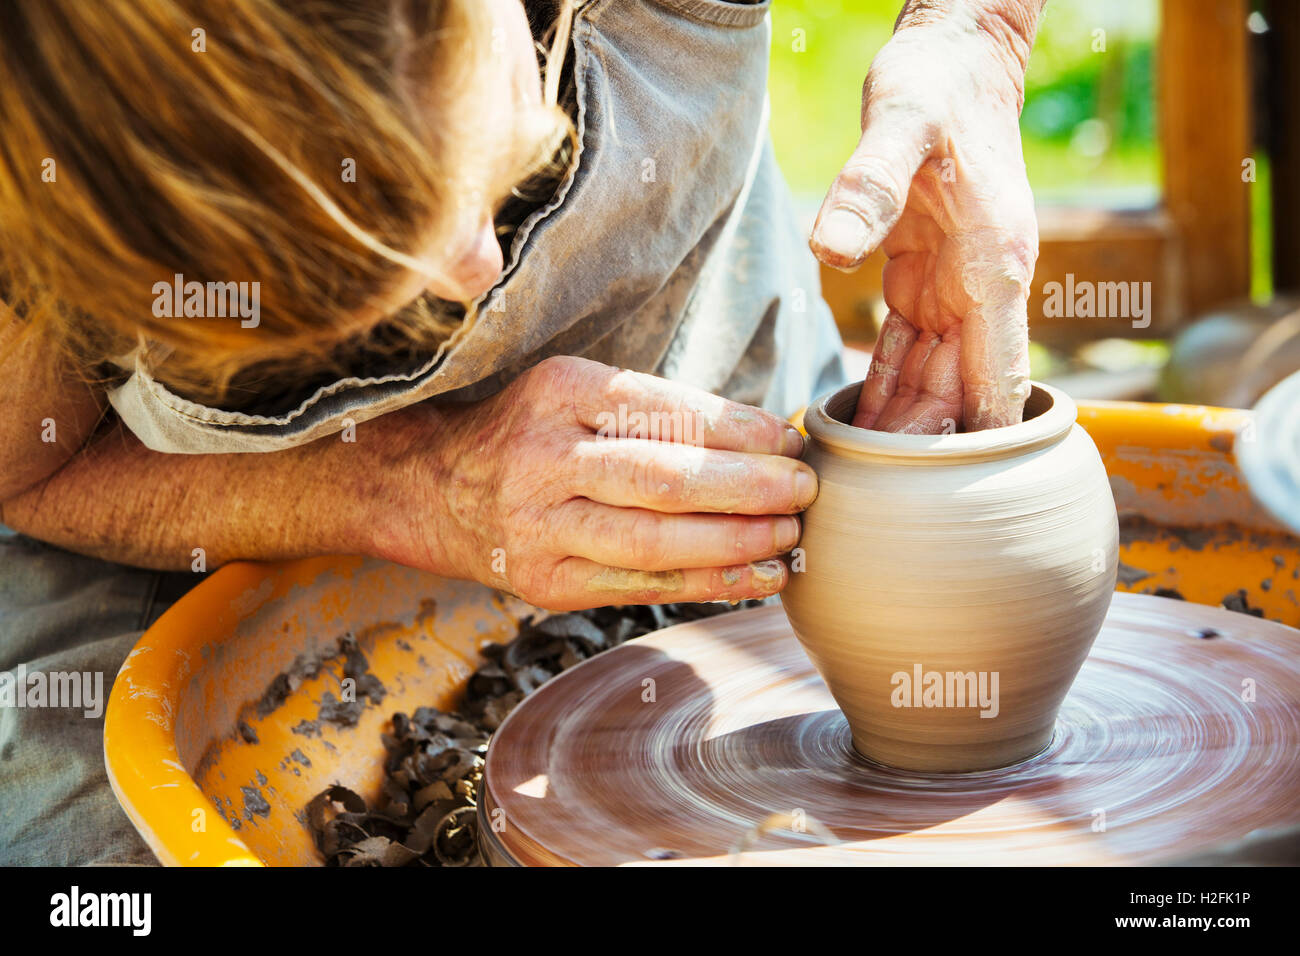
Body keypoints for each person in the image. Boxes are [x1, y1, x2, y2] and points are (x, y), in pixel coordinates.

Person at [0, 0, 1042, 863]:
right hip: (188, 501)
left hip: (695, 337)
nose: (473, 276)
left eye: (490, 172)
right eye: (355, 291)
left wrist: (974, 43)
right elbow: (23, 469)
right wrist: (409, 483)